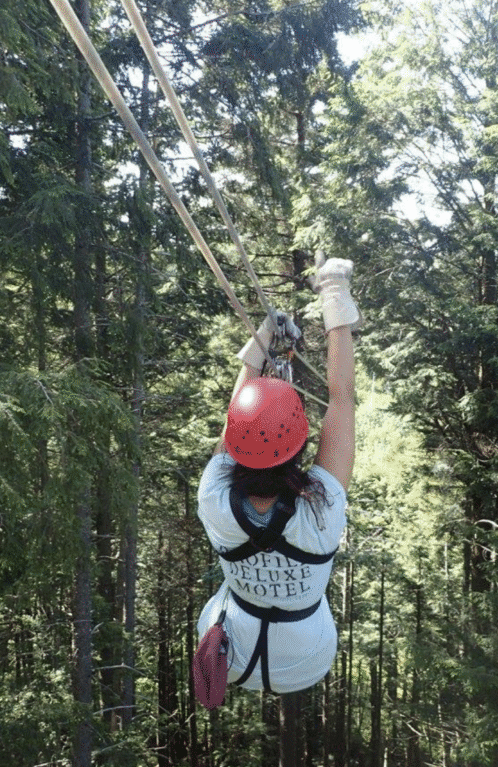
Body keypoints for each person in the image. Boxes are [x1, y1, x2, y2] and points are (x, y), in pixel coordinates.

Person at [195, 255, 360, 695]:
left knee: (227, 592)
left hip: (235, 656)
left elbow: (234, 425)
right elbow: (341, 398)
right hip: (307, 659)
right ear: (301, 444)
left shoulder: (214, 496)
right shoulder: (319, 507)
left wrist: (261, 341)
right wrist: (334, 294)